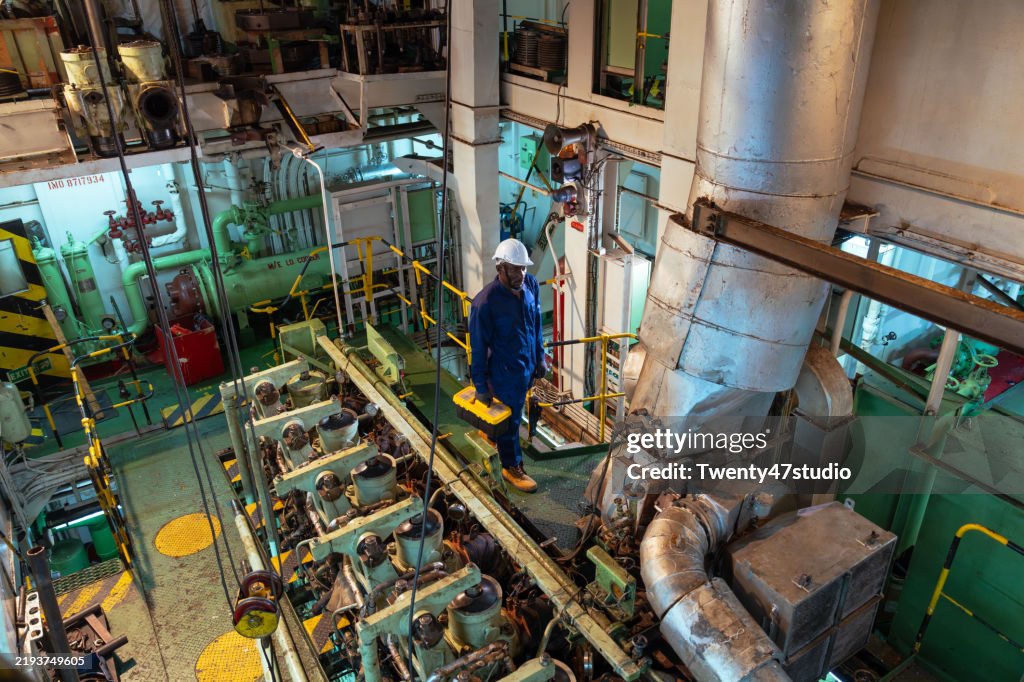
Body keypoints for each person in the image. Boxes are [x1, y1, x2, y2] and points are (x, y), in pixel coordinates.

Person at [469, 238, 547, 492]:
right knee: (512, 421)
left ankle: (491, 434)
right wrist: (480, 386)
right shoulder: (485, 303)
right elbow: (478, 348)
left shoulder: (531, 286)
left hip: (526, 367)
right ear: (500, 268)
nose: (521, 273)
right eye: (515, 268)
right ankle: (511, 466)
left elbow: (535, 326)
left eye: (523, 267)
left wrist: (540, 358)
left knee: (513, 416)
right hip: (502, 374)